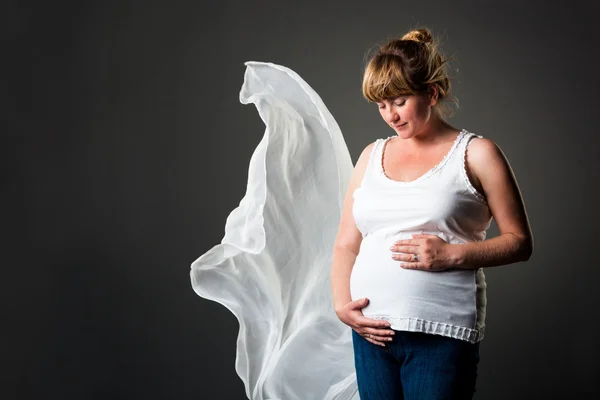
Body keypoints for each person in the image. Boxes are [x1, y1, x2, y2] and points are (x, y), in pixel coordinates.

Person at [330, 28, 534, 399]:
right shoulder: (370, 156)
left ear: (432, 93)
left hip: (441, 334)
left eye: (400, 101)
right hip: (371, 333)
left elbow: (520, 242)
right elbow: (346, 243)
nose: (390, 115)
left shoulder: (477, 153)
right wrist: (342, 305)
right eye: (381, 105)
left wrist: (451, 254)